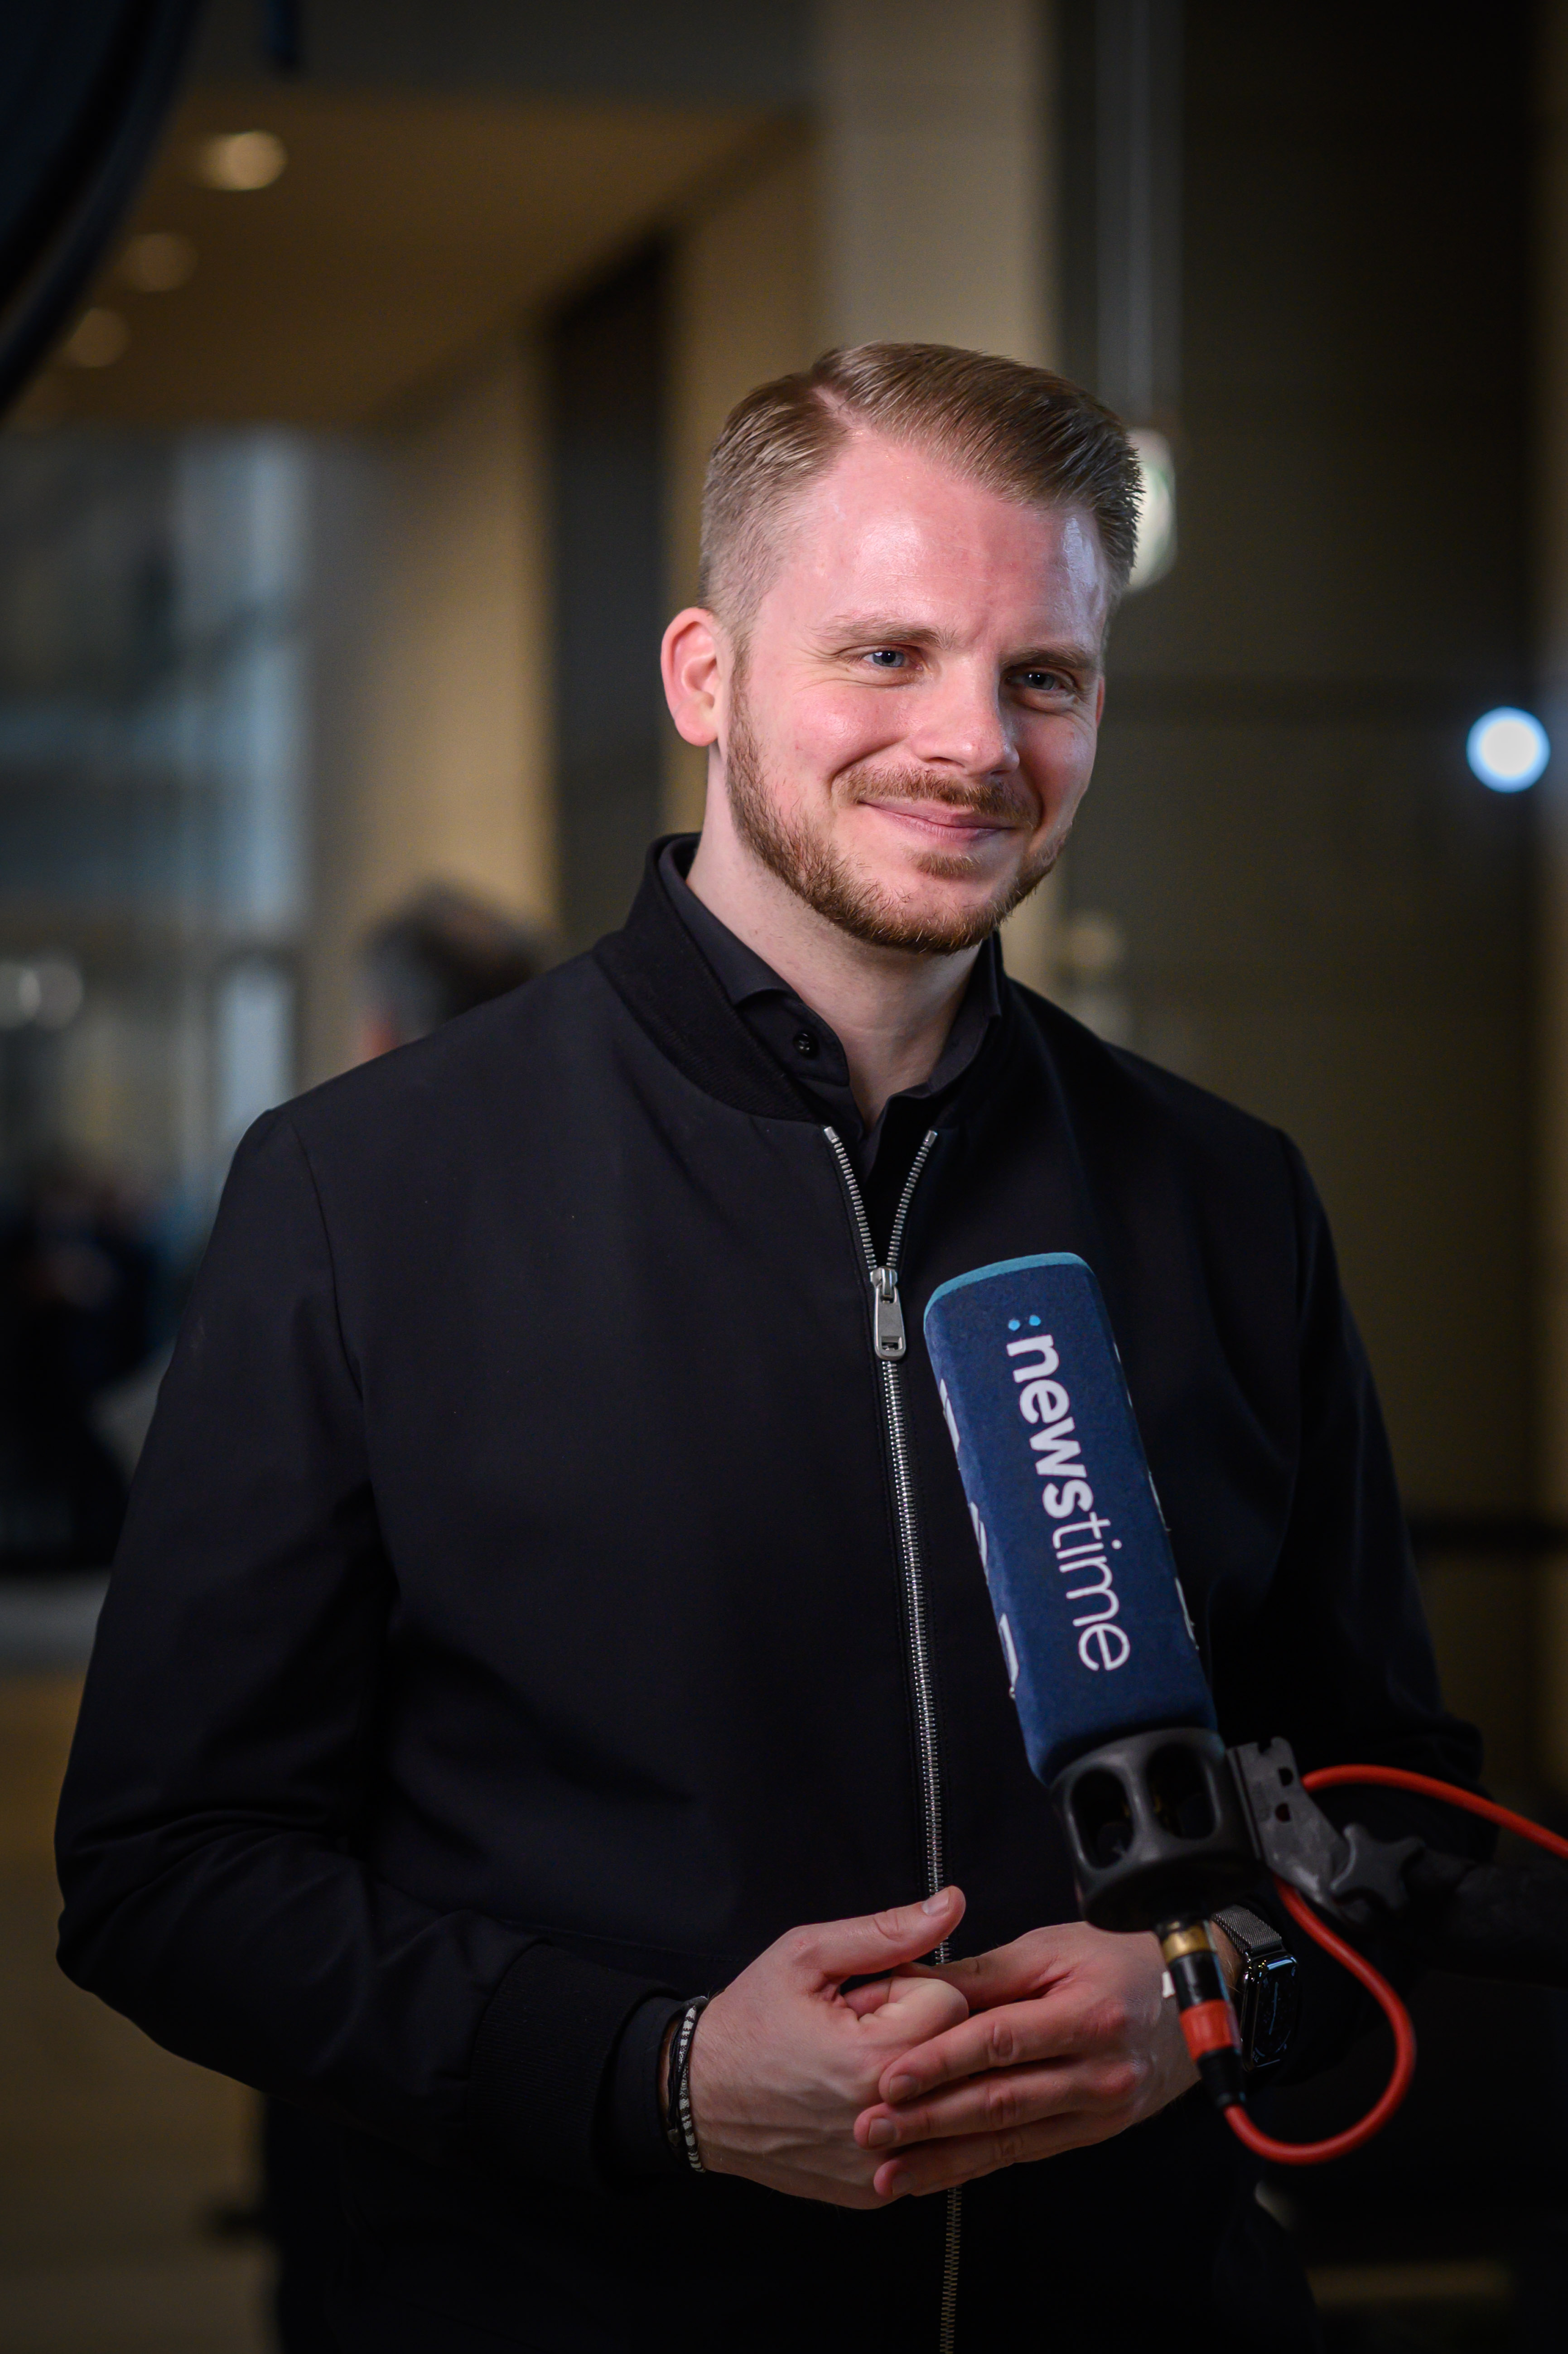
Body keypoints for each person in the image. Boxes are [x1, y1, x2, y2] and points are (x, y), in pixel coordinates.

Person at [55, 345, 1480, 2352]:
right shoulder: (362, 1195)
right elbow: (167, 1875)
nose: (972, 742)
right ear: (704, 678)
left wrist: (1208, 1992)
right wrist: (656, 2075)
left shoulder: (1224, 1199)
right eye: (884, 654)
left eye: (1043, 677)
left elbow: (1388, 1802)